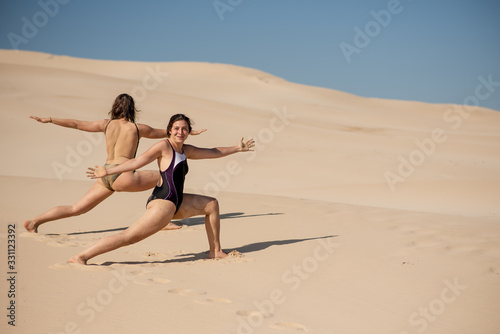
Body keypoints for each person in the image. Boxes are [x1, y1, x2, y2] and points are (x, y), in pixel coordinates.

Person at [70, 114, 254, 264]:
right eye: (176, 128)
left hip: (177, 202)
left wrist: (237, 148)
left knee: (211, 204)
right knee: (128, 237)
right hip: (163, 203)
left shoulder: (186, 150)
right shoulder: (163, 147)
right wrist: (108, 171)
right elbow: (137, 161)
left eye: (184, 129)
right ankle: (81, 256)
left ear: (189, 131)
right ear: (169, 130)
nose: (180, 132)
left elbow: (213, 152)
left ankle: (215, 251)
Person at [24, 94, 205, 233]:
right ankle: (162, 219)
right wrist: (190, 132)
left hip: (106, 173)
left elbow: (76, 124)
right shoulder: (137, 128)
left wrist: (49, 119)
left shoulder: (106, 124)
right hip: (125, 175)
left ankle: (34, 222)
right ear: (133, 109)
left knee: (76, 208)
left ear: (115, 108)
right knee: (166, 177)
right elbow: (166, 133)